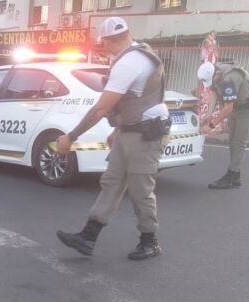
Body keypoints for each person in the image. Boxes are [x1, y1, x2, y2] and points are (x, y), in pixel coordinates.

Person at [55, 17, 171, 261]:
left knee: (141, 190)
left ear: (108, 39)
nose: (104, 47)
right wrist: (119, 129)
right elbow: (132, 101)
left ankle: (150, 241)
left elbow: (100, 109)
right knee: (112, 182)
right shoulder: (137, 55)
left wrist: (71, 137)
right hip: (131, 130)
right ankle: (88, 236)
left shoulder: (129, 62)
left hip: (146, 135)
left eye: (104, 42)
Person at [197, 61, 249, 189]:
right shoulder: (216, 74)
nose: (212, 83)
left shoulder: (230, 78)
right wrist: (208, 115)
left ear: (217, 73)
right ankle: (235, 175)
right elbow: (214, 93)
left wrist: (211, 126)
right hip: (236, 108)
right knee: (232, 141)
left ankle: (231, 175)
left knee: (239, 142)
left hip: (247, 110)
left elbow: (227, 108)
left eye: (212, 80)